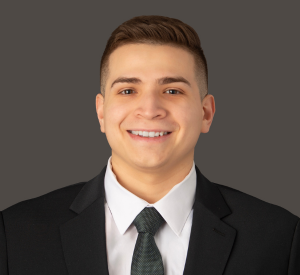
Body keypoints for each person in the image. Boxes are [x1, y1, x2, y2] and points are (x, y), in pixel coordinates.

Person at [0, 15, 299, 275]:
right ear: (102, 113)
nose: (150, 108)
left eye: (172, 90)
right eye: (128, 90)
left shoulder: (279, 238)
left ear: (206, 113)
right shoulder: (15, 234)